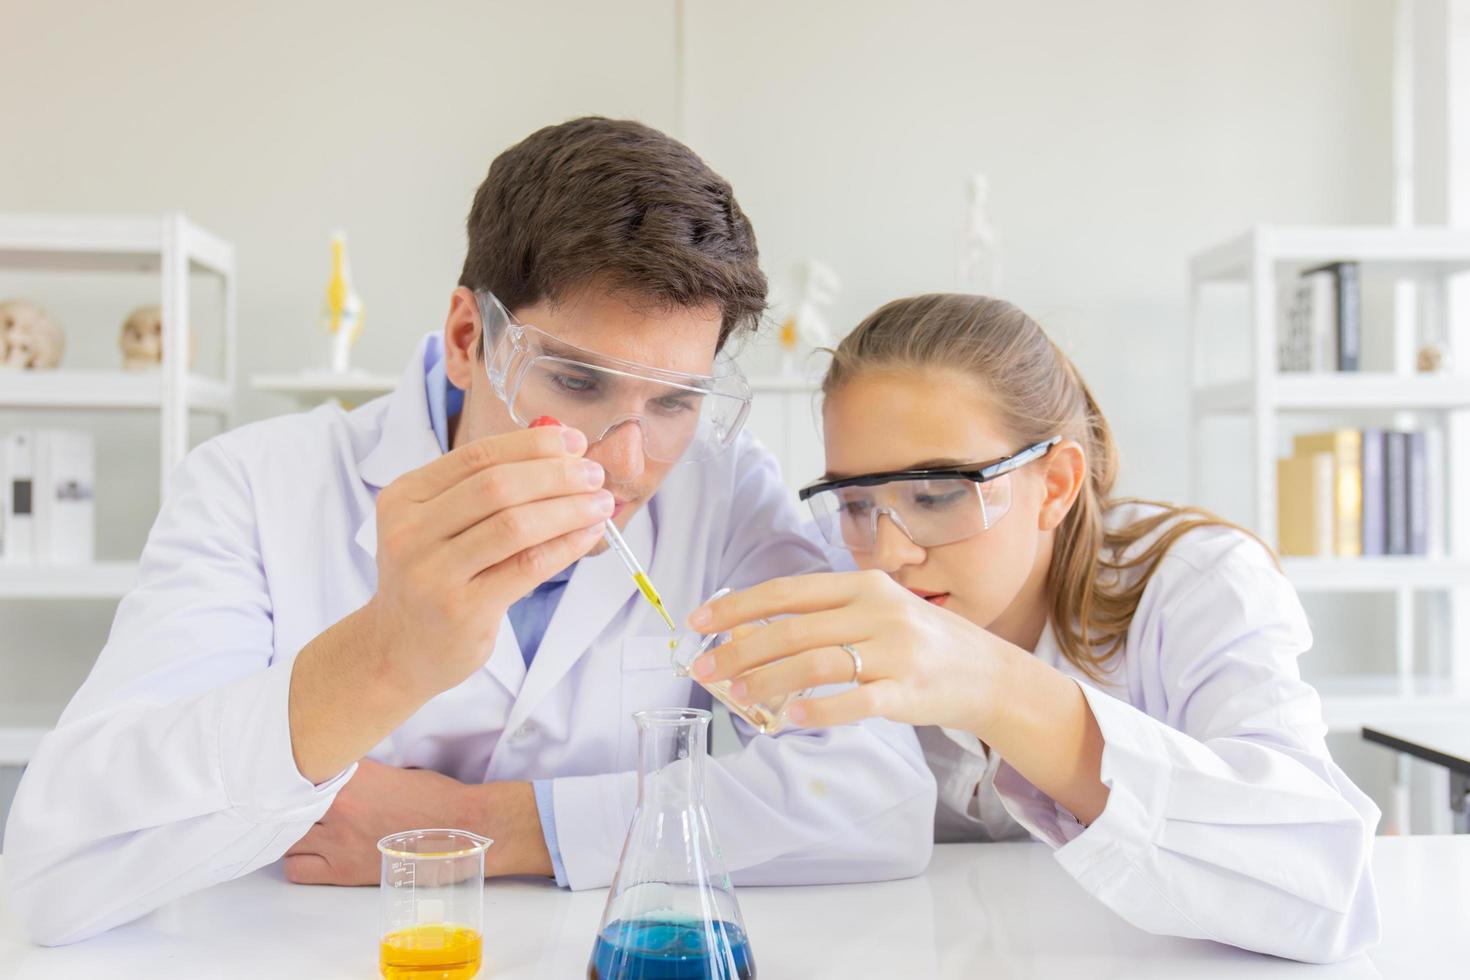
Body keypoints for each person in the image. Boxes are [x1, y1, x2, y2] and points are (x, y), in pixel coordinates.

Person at [2, 118, 935, 946]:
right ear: (465, 336)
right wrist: (383, 659)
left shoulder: (723, 494)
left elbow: (880, 796)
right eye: (576, 382)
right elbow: (56, 871)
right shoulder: (255, 486)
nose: (624, 459)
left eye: (677, 402)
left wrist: (495, 826)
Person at [686, 293, 1381, 963]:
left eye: (935, 495)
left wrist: (992, 686)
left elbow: (1325, 886)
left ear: (1055, 485)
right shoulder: (838, 588)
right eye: (855, 501)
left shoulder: (1195, 584)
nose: (889, 552)